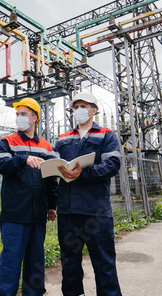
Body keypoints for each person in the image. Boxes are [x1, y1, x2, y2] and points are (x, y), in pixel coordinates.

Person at [53, 91, 123, 296]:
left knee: (104, 264)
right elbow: (54, 164)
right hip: (68, 211)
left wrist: (82, 173)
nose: (78, 111)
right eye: (75, 107)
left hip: (96, 211)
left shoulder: (107, 135)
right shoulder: (64, 139)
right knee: (69, 264)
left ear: (94, 110)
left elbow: (112, 164)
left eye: (83, 106)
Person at [0, 97, 59, 296]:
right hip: (15, 214)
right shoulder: (8, 142)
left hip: (38, 214)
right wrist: (23, 159)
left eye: (23, 114)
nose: (19, 118)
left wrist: (52, 205)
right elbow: (1, 165)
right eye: (17, 115)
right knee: (11, 261)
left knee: (35, 261)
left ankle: (35, 293)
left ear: (34, 118)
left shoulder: (47, 147)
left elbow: (51, 180)